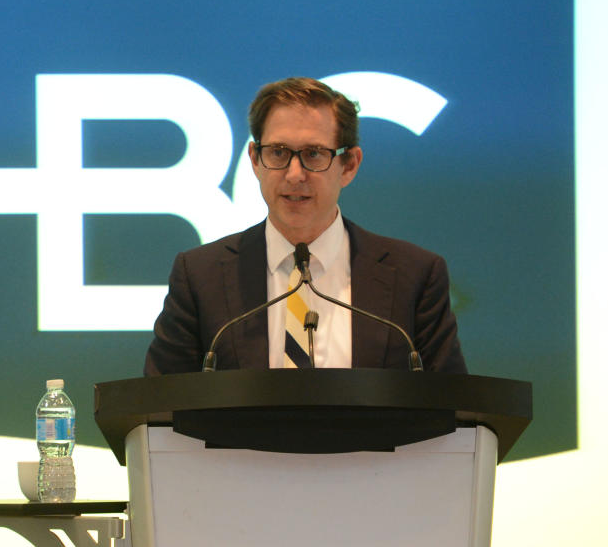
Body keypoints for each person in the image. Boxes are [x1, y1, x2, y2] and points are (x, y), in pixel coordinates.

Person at [144, 77, 466, 375]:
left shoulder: (415, 276)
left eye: (314, 154)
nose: (295, 174)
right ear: (255, 160)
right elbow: (157, 409)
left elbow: (455, 411)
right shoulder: (201, 276)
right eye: (279, 152)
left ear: (349, 165)